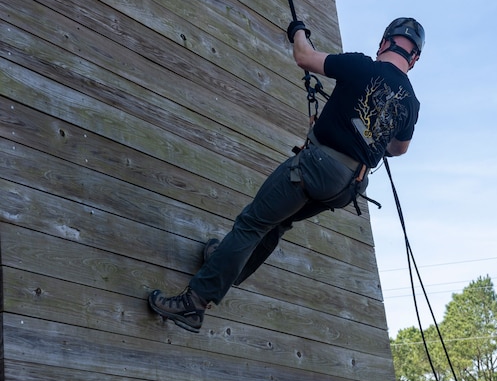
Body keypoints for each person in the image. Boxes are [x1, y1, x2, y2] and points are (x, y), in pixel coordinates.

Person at [148, 17, 424, 332]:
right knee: (278, 223)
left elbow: (304, 57)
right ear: (413, 59)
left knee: (252, 224)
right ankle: (226, 267)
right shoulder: (411, 103)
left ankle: (193, 305)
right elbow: (399, 149)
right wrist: (368, 134)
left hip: (318, 165)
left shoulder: (362, 66)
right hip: (349, 186)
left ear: (384, 42)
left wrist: (299, 31)